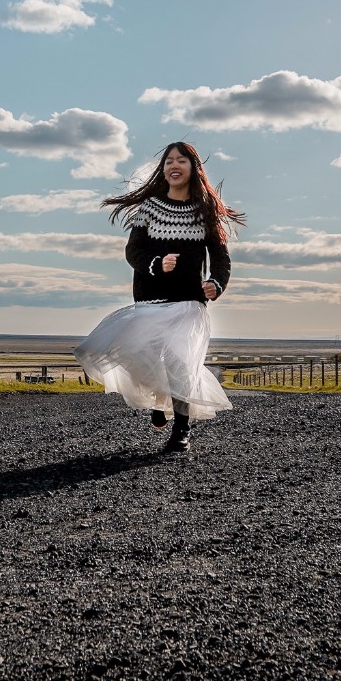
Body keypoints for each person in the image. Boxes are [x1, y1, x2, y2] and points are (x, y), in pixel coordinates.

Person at [74, 142, 243, 453]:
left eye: (180, 160)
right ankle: (159, 399)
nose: (173, 165)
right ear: (163, 169)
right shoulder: (149, 208)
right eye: (168, 161)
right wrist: (157, 264)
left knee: (181, 363)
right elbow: (133, 252)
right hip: (150, 300)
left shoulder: (204, 212)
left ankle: (182, 429)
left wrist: (217, 282)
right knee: (145, 358)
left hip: (188, 301)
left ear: (193, 168)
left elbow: (220, 255)